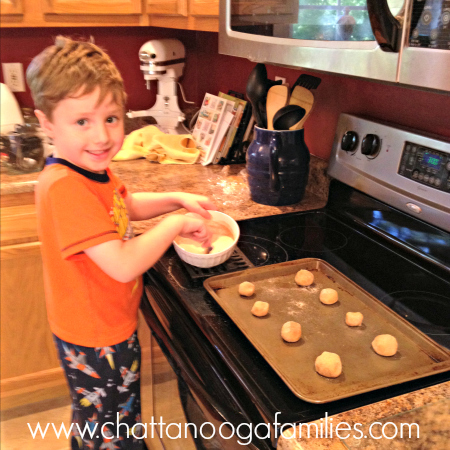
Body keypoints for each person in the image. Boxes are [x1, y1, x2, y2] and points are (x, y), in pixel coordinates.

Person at [26, 36, 216, 450]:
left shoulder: (88, 169)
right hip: (94, 335)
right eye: (82, 122)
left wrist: (174, 200)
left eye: (111, 118)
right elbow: (122, 264)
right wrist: (177, 224)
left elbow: (124, 204)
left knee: (107, 421)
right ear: (46, 123)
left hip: (107, 324)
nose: (102, 136)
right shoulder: (65, 187)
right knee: (111, 429)